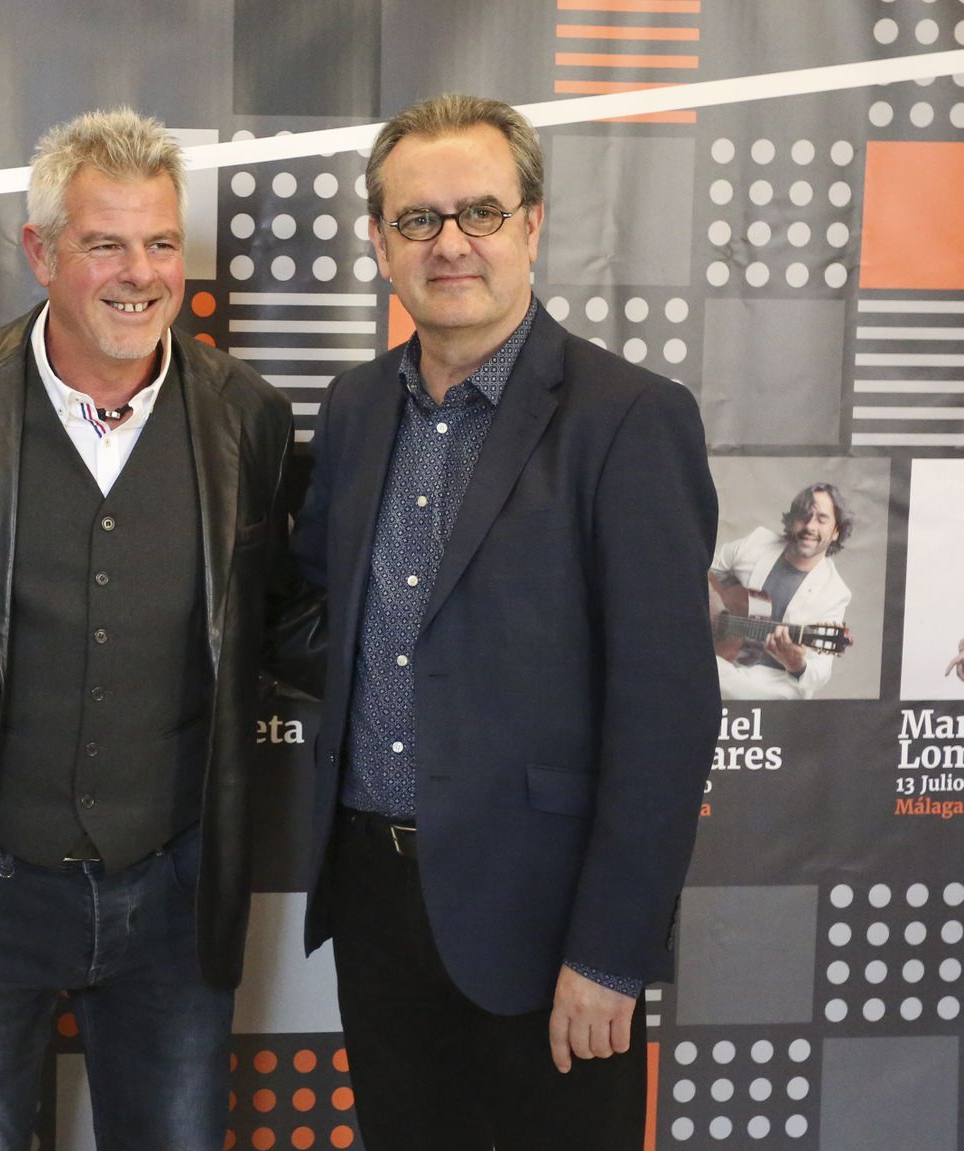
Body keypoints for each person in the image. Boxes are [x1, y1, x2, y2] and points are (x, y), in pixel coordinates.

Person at [0, 107, 317, 1151]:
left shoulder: (243, 412)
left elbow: (284, 620)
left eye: (161, 242)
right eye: (104, 241)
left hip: (172, 887)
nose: (140, 272)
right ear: (40, 251)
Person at [290, 94, 719, 1150]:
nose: (449, 244)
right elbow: (313, 607)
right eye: (417, 219)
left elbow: (665, 714)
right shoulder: (350, 409)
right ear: (379, 242)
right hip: (378, 905)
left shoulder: (629, 419)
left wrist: (612, 951)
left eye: (478, 212)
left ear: (531, 225)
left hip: (548, 923)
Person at [711, 482, 854, 700]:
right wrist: (714, 607)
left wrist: (797, 664)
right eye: (804, 515)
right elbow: (703, 569)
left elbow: (821, 671)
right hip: (723, 656)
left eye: (821, 519)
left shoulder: (834, 592)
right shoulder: (757, 542)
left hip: (773, 682)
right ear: (792, 520)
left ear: (836, 532)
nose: (810, 526)